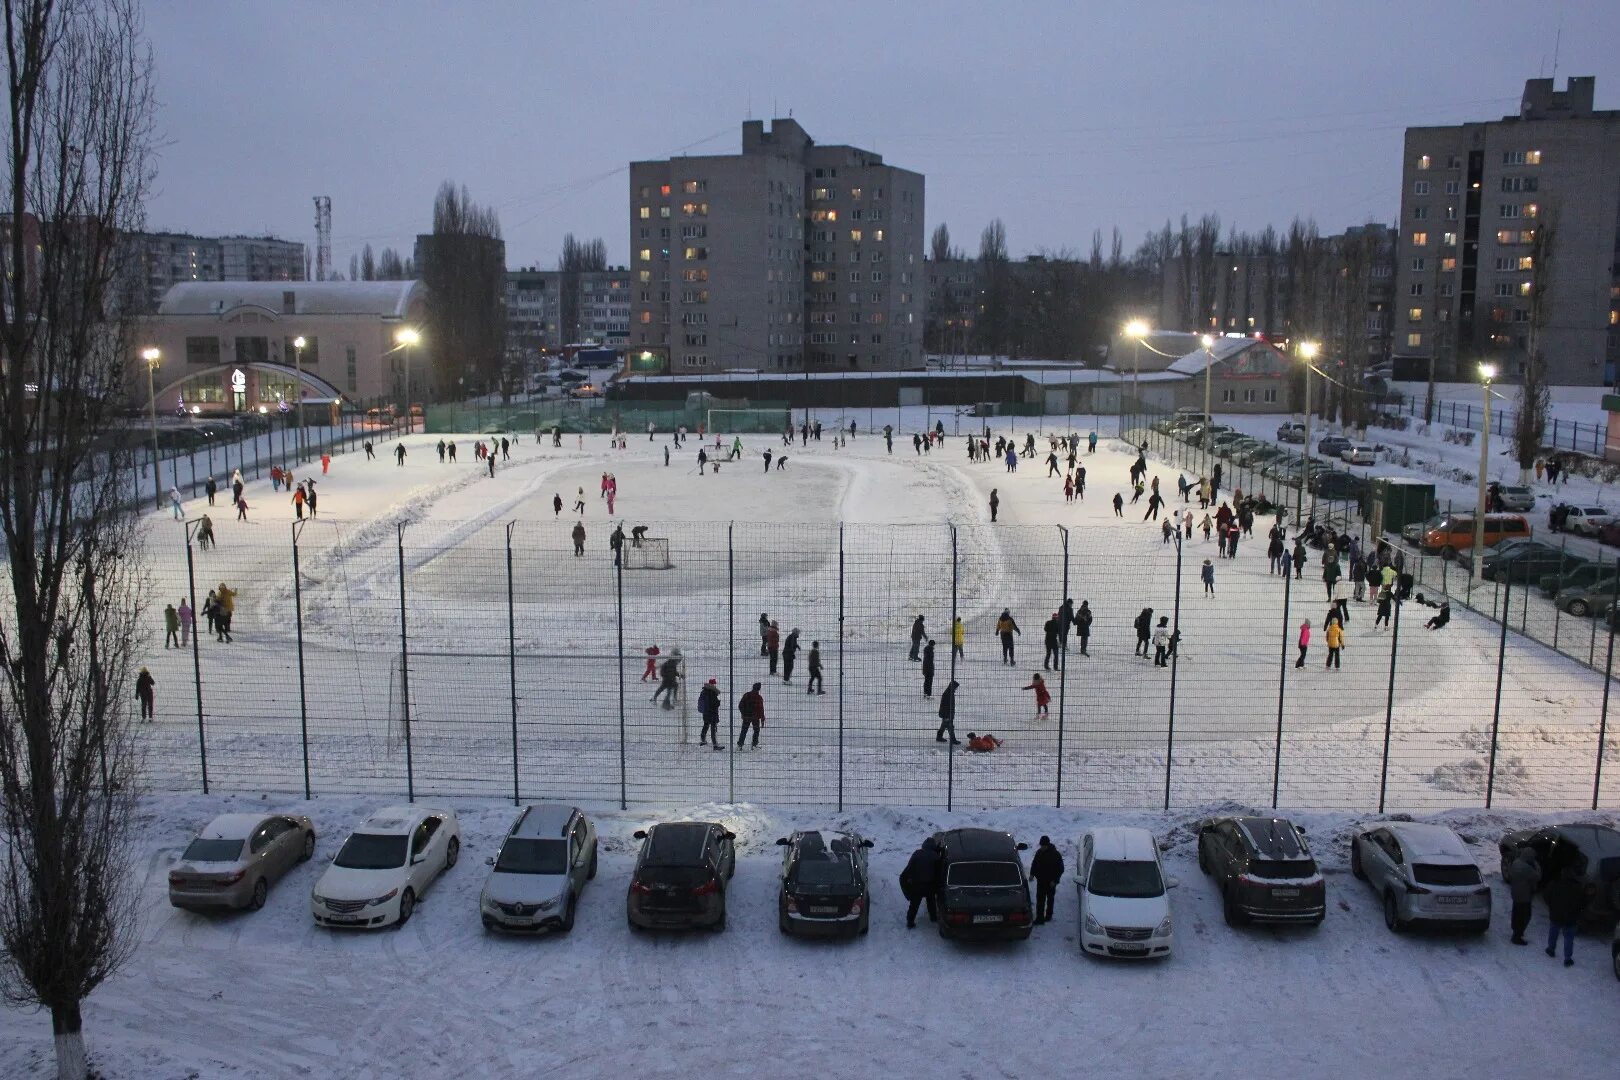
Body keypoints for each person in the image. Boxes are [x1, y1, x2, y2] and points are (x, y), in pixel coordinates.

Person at [1543, 864, 1587, 967]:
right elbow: (1583, 902)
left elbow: (1546, 896)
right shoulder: (1578, 887)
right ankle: (1567, 958)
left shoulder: (1554, 883)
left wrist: (1552, 906)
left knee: (1553, 931)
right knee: (1568, 938)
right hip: (1571, 916)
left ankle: (1551, 949)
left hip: (1556, 914)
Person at [1503, 845, 1540, 946]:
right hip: (1525, 896)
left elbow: (1510, 874)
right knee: (1525, 916)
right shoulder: (1527, 868)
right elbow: (1537, 876)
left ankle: (1515, 930)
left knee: (1516, 913)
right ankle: (1517, 935)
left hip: (1515, 893)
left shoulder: (1516, 863)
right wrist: (1536, 866)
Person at [900, 838, 940, 927]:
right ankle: (933, 917)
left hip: (916, 885)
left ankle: (910, 922)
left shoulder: (917, 853)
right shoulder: (936, 856)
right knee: (931, 902)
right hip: (930, 885)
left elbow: (909, 868)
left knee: (914, 905)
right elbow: (938, 872)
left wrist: (908, 880)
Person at [1030, 836, 1064, 925]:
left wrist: (1055, 880)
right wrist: (1032, 874)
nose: (1042, 847)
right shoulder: (1039, 852)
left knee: (1050, 899)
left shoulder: (1056, 854)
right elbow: (1034, 863)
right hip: (1041, 881)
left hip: (1051, 882)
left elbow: (1060, 869)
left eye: (1043, 845)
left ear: (1047, 845)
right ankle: (1039, 918)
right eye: (1041, 845)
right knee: (1040, 900)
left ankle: (1049, 916)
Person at [697, 679, 723, 749]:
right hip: (712, 713)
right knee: (713, 728)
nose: (714, 685)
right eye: (714, 684)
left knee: (705, 725)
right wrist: (718, 702)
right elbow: (714, 704)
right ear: (712, 684)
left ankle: (703, 740)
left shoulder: (704, 691)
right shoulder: (712, 692)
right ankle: (715, 745)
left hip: (705, 713)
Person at [738, 682, 765, 748]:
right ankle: (754, 744)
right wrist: (762, 718)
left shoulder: (746, 695)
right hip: (755, 718)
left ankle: (740, 745)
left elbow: (740, 705)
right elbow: (761, 709)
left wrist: (743, 713)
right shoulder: (759, 698)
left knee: (744, 730)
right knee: (756, 730)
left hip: (746, 717)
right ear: (759, 689)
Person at [935, 679, 960, 744]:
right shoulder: (948, 694)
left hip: (947, 713)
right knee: (950, 727)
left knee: (943, 726)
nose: (956, 689)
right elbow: (945, 706)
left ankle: (939, 737)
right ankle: (953, 740)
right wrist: (948, 715)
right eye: (956, 687)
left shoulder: (949, 692)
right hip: (947, 714)